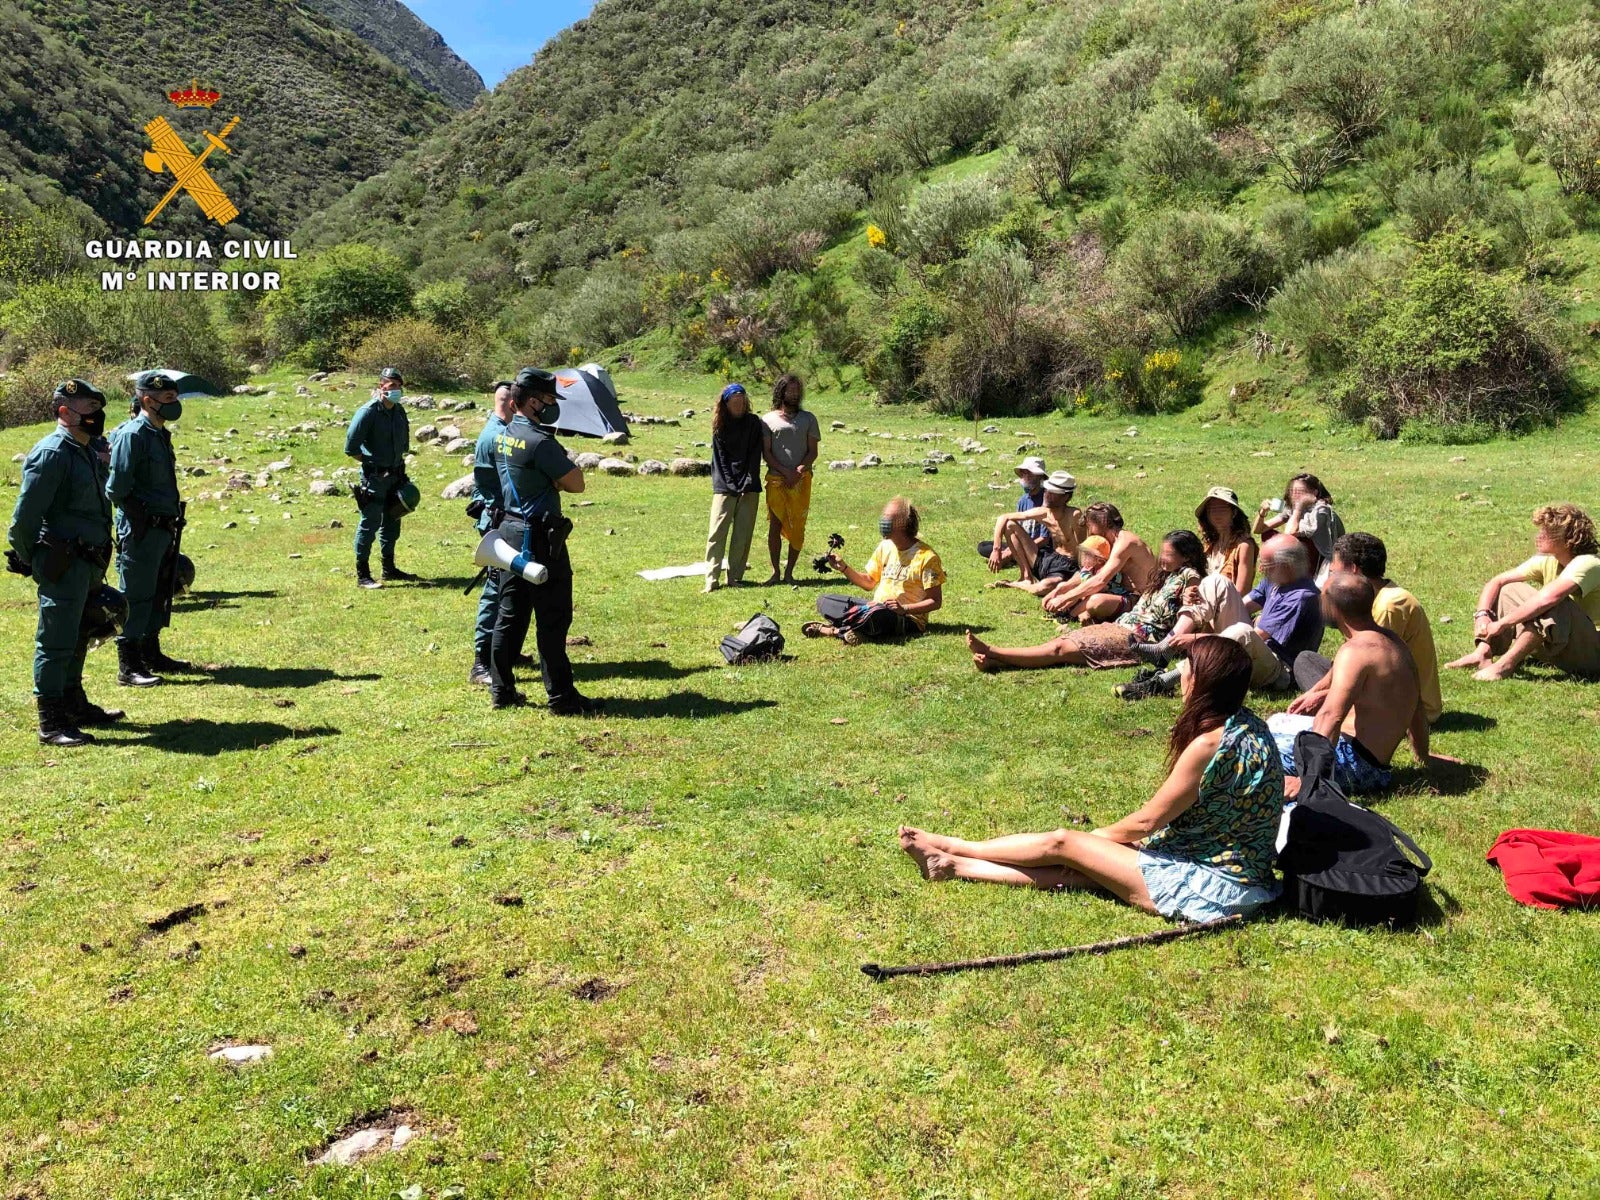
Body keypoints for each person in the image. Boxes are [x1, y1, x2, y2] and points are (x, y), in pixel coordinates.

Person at [899, 637, 1283, 923]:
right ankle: (952, 866)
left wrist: (1093, 839)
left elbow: (1147, 823)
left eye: (1188, 671)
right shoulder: (1251, 725)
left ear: (1203, 682)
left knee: (1063, 843)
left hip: (1211, 886)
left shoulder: (1209, 744)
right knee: (1088, 873)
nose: (1181, 678)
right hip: (1242, 877)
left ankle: (957, 846)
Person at [6, 379, 119, 746]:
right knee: (55, 641)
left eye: (97, 408)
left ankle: (74, 703)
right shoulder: (52, 452)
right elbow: (25, 518)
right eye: (88, 409)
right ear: (64, 412)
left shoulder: (84, 449)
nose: (96, 416)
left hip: (88, 562)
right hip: (63, 562)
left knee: (79, 634)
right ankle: (51, 720)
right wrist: (30, 557)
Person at [487, 368, 598, 715]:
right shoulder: (541, 442)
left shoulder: (504, 434)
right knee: (553, 618)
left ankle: (502, 691)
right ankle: (562, 698)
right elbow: (577, 483)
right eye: (550, 400)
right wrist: (559, 476)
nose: (553, 406)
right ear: (533, 402)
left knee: (510, 615)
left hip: (508, 534)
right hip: (540, 539)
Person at [1270, 574, 1433, 797]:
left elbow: (1331, 716)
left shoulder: (1355, 651)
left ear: (1334, 608)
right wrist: (1423, 755)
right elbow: (1416, 705)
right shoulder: (1396, 643)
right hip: (1373, 765)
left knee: (1255, 749)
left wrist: (1309, 781)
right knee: (1274, 722)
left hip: (1355, 765)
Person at [967, 531, 1205, 672]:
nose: (1162, 559)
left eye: (1168, 555)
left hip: (1140, 639)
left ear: (1186, 557)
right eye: (1162, 553)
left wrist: (1190, 593)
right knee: (1062, 642)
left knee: (1060, 649)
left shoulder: (1188, 575)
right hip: (1120, 626)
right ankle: (997, 661)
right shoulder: (1164, 575)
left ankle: (993, 651)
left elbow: (1194, 590)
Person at [1291, 532, 1441, 724]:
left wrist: (1321, 696)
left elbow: (1378, 673)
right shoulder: (1373, 598)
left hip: (1407, 707)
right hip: (1376, 685)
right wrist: (1315, 691)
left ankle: (1336, 706)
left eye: (1335, 572)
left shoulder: (1389, 605)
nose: (1332, 577)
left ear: (1353, 570)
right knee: (1306, 661)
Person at [1445, 504, 1600, 682]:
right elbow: (1497, 582)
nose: (1539, 536)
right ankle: (1482, 654)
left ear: (1568, 538)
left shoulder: (1589, 563)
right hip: (1564, 645)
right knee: (1508, 589)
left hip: (1593, 653)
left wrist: (1502, 623)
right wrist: (1482, 615)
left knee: (1555, 601)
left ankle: (1505, 665)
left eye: (1546, 531)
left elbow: (1549, 598)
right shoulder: (1548, 560)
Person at [802, 497, 944, 644]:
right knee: (825, 601)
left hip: (906, 618)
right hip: (873, 608)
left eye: (888, 518)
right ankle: (857, 629)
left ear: (903, 523)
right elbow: (869, 582)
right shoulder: (885, 546)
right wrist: (843, 567)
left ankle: (834, 630)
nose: (883, 521)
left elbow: (935, 601)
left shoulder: (927, 557)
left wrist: (904, 608)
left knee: (878, 616)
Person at [1204, 534, 1322, 692]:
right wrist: (1208, 612)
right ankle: (1171, 643)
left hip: (1279, 669)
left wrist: (1200, 640)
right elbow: (1241, 606)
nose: (1260, 569)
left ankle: (1179, 672)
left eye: (1266, 565)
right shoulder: (1276, 578)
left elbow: (1255, 636)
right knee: (1218, 582)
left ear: (1287, 566)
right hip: (1257, 647)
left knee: (1242, 632)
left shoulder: (1301, 597)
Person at [344, 366, 414, 588]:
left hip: (395, 476)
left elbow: (403, 445)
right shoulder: (368, 412)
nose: (395, 390)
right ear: (380, 386)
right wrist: (372, 465)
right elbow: (351, 448)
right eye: (391, 386)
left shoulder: (399, 411)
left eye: (398, 386)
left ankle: (389, 568)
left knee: (393, 522)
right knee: (370, 523)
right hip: (374, 479)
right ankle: (363, 574)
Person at [467, 382, 516, 686]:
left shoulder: (498, 430)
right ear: (512, 404)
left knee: (512, 588)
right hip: (497, 520)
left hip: (499, 517)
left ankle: (505, 647)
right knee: (495, 590)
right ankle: (481, 662)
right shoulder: (497, 436)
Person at [1041, 502, 1158, 620]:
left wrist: (1064, 598)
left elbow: (1100, 580)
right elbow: (1091, 572)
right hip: (1116, 591)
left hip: (1139, 599)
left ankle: (1072, 615)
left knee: (1095, 601)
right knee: (1066, 585)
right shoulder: (1108, 542)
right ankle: (1080, 614)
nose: (1089, 532)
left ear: (1103, 522)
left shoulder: (1125, 542)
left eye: (1089, 526)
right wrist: (1063, 588)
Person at [704, 382, 766, 592]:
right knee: (717, 533)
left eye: (741, 401)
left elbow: (754, 455)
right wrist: (731, 485)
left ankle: (735, 577)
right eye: (734, 402)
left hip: (749, 484)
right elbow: (720, 460)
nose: (738, 405)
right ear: (726, 403)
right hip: (724, 485)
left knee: (743, 534)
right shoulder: (720, 425)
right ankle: (711, 579)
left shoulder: (754, 423)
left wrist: (747, 483)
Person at [761, 373, 819, 584]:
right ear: (781, 391)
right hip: (777, 480)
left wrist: (799, 470)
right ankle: (776, 572)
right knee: (775, 526)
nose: (793, 394)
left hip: (801, 480)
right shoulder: (767, 420)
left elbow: (813, 451)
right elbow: (766, 453)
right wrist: (785, 472)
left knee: (798, 526)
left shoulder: (809, 419)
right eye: (789, 390)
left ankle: (789, 573)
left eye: (797, 391)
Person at [986, 469, 1085, 586]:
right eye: (1047, 490)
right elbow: (1003, 517)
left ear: (1065, 497)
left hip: (1067, 566)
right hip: (1049, 558)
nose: (1047, 494)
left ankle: (1017, 585)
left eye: (1052, 492)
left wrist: (1083, 575)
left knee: (1046, 586)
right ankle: (1026, 576)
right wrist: (996, 549)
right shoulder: (1044, 512)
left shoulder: (1074, 515)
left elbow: (1084, 547)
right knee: (1009, 525)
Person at [1255, 472, 1343, 585]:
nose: (1295, 496)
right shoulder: (1292, 508)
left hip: (1322, 560)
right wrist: (1262, 512)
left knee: (1290, 542)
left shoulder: (1321, 510)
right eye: (1292, 491)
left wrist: (1299, 507)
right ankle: (1275, 568)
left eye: (1300, 492)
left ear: (1314, 493)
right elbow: (1259, 530)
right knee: (1269, 534)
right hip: (1305, 556)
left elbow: (1290, 534)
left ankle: (1289, 574)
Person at [977, 456, 1050, 566]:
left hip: (1038, 547)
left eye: (1029, 473)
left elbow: (1044, 539)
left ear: (1040, 476)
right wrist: (1007, 549)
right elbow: (1015, 529)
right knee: (983, 547)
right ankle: (1013, 557)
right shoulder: (1023, 500)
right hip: (1021, 542)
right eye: (1023, 473)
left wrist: (1010, 552)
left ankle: (1015, 558)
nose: (1025, 476)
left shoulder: (1047, 501)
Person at [1196, 486, 1258, 595]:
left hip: (1229, 607)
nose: (1217, 514)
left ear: (1233, 513)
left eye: (1222, 509)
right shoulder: (1209, 543)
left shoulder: (1244, 546)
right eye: (1212, 509)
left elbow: (1242, 591)